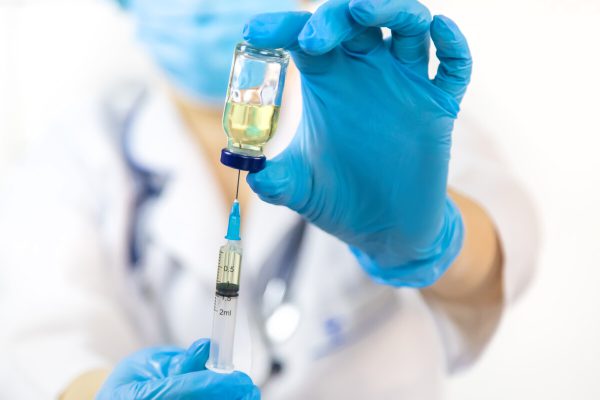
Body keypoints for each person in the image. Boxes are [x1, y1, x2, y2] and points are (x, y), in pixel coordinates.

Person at [0, 0, 538, 399]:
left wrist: (435, 240)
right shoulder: (77, 154)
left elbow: (508, 237)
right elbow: (45, 342)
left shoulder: (382, 117)